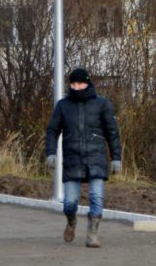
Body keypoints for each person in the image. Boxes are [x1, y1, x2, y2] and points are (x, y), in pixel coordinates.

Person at [45, 67, 122, 248]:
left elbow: (112, 132)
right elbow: (52, 131)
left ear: (87, 83)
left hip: (96, 158)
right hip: (73, 159)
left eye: (80, 83)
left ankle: (92, 234)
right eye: (73, 84)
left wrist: (116, 157)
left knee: (97, 197)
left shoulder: (102, 104)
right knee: (70, 202)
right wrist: (51, 153)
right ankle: (71, 221)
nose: (77, 87)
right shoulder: (63, 106)